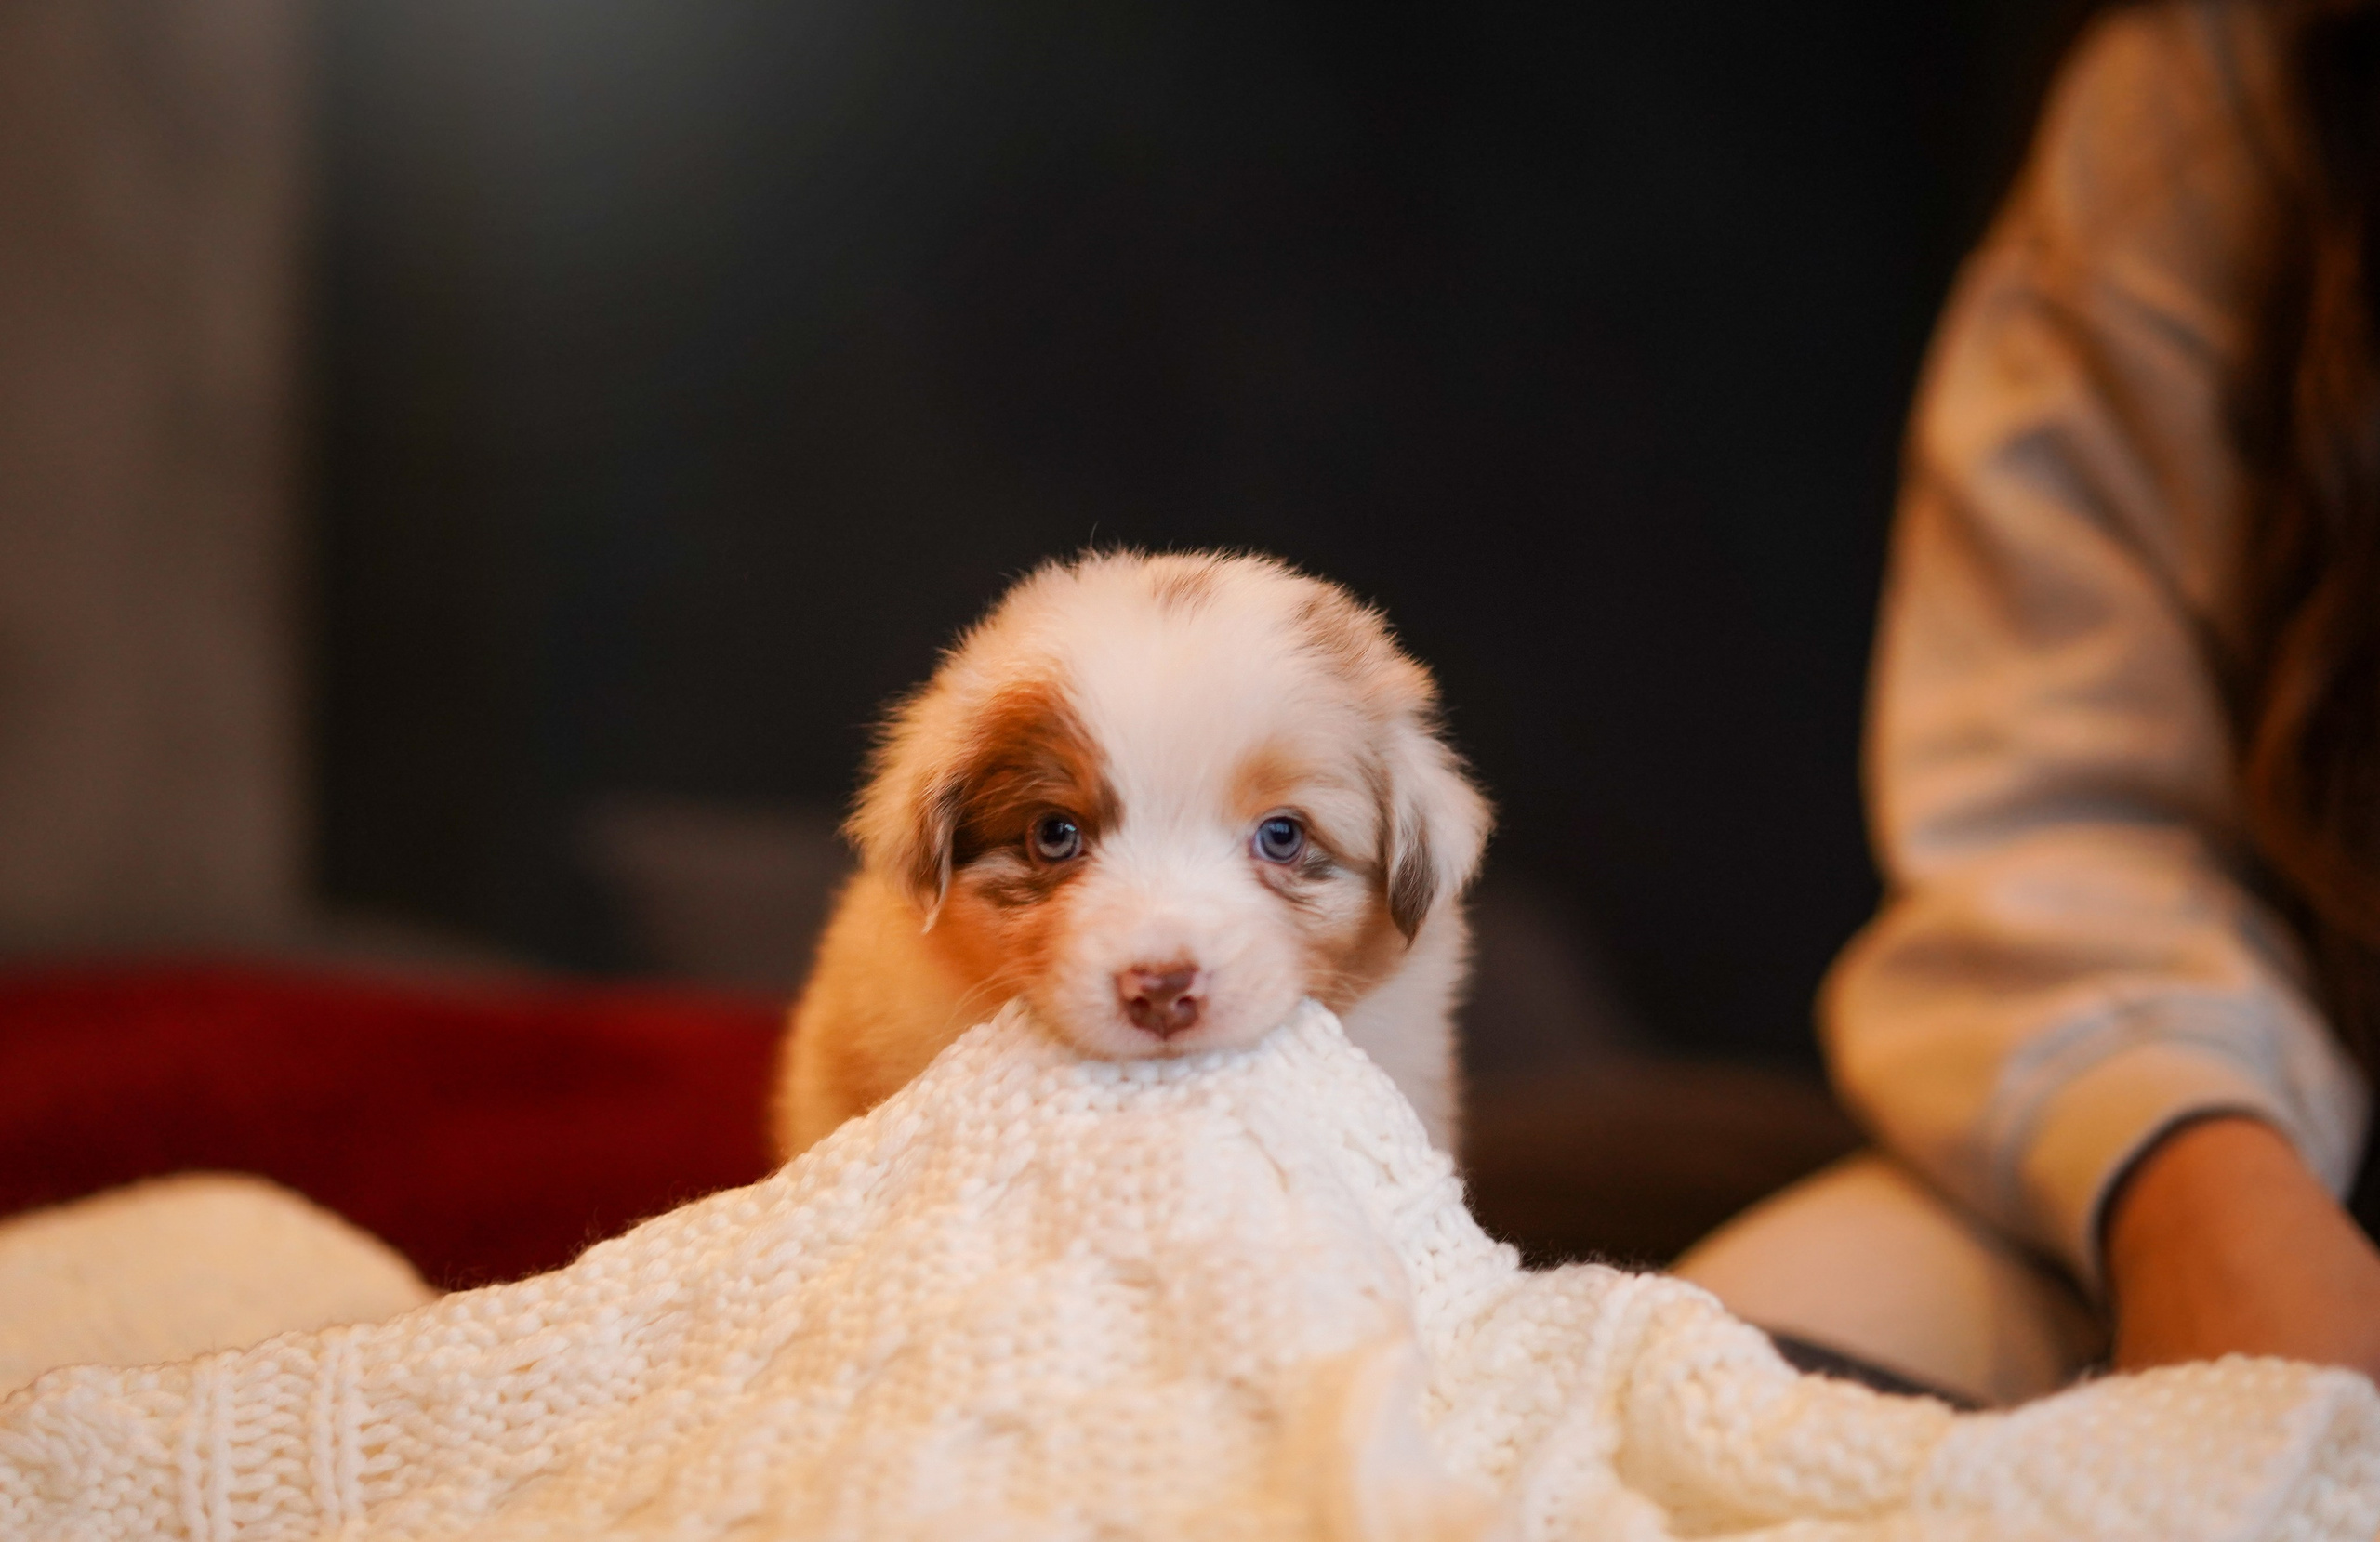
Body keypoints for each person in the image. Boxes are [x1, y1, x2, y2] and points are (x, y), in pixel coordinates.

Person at [1675, 0, 2380, 1408]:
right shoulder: (2223, 96)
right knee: (1733, 1352)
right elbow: (2063, 812)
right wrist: (2204, 1189)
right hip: (2255, 1128)